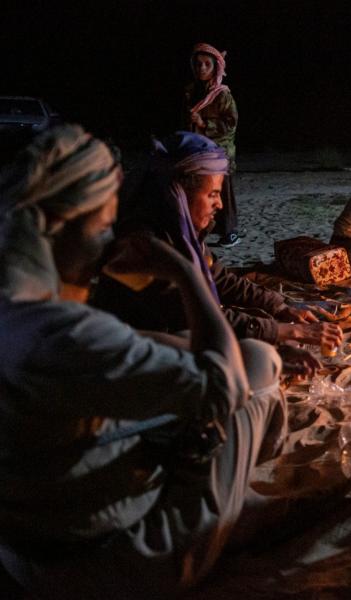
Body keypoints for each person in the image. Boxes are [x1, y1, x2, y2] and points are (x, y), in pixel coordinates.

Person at [0, 125, 287, 597]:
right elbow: (225, 384)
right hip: (113, 564)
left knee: (179, 363)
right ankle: (230, 514)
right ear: (61, 223)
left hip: (29, 548)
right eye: (100, 227)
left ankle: (231, 494)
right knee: (255, 366)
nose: (107, 240)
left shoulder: (22, 306)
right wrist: (181, 271)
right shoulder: (57, 333)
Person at [93, 132, 341, 376]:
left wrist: (279, 306)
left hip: (176, 332)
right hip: (140, 350)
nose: (220, 204)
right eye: (212, 194)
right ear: (178, 193)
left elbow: (221, 278)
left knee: (259, 327)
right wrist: (287, 332)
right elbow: (188, 314)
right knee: (257, 352)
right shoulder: (141, 243)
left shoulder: (180, 233)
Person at [185, 42, 241, 248]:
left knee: (223, 193)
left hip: (219, 153)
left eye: (207, 64)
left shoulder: (221, 94)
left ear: (215, 67)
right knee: (200, 192)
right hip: (197, 151)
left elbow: (230, 124)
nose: (202, 68)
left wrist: (203, 123)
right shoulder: (191, 91)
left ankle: (231, 232)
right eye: (198, 64)